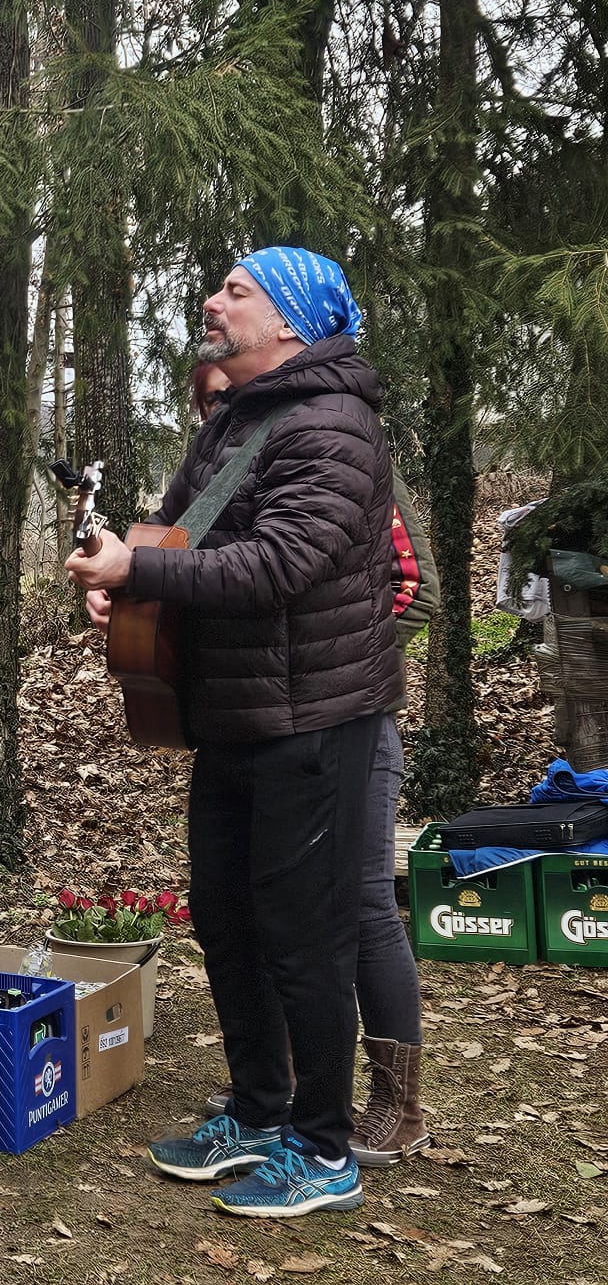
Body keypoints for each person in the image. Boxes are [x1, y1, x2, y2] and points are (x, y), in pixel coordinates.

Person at [66, 247, 399, 1218]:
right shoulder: (235, 421)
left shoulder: (333, 424)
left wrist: (144, 570)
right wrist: (122, 576)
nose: (212, 302)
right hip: (234, 717)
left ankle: (321, 1146)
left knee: (303, 939)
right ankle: (256, 1111)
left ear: (290, 323)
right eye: (215, 286)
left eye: (236, 291)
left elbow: (275, 566)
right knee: (224, 920)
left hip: (315, 721)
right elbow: (179, 533)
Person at [189, 361, 437, 1167]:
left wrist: (335, 655)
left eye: (224, 396)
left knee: (360, 904)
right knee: (266, 907)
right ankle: (277, 1094)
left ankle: (399, 1105)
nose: (217, 413)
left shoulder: (339, 457)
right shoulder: (234, 462)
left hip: (345, 715)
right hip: (265, 713)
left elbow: (413, 589)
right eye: (207, 405)